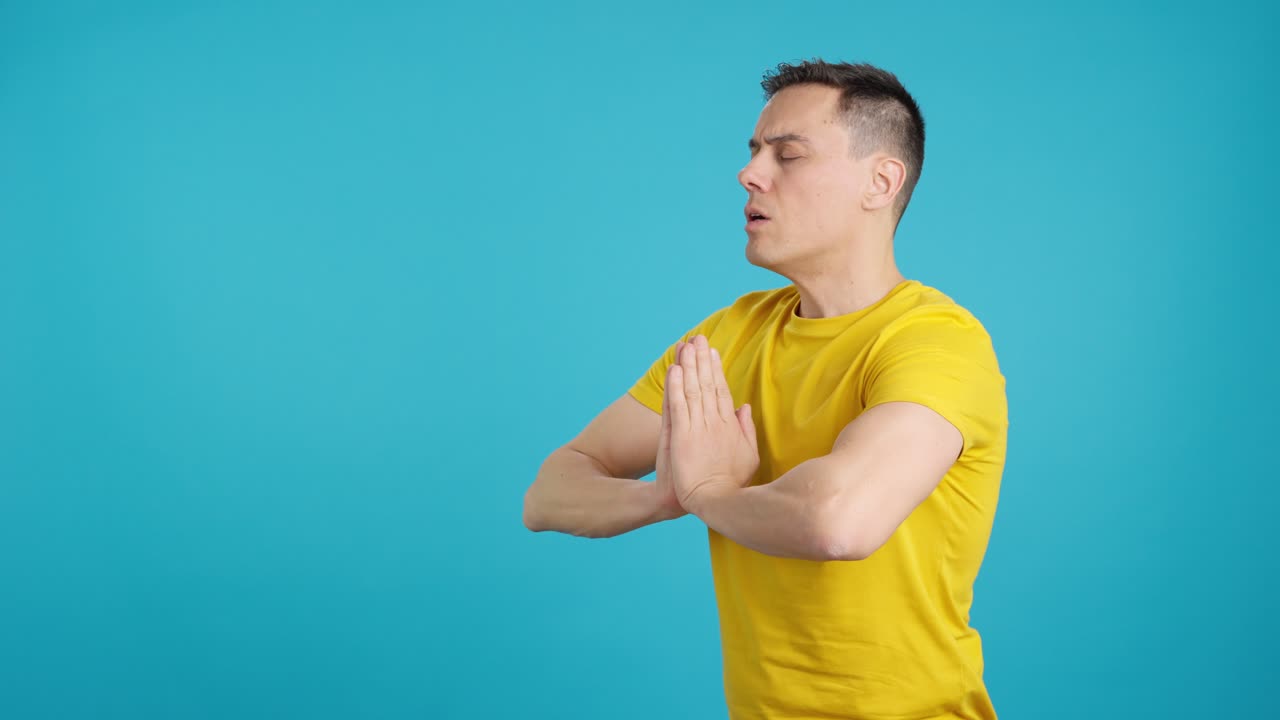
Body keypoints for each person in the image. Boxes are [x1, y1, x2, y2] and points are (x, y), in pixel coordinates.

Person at [523, 58, 1009, 720]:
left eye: (788, 155)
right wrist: (666, 497)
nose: (749, 174)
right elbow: (550, 492)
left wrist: (710, 494)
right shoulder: (731, 335)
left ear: (881, 181)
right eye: (754, 152)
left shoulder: (937, 342)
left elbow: (839, 520)